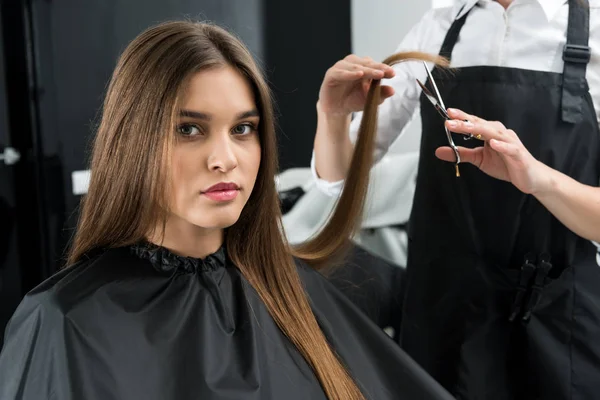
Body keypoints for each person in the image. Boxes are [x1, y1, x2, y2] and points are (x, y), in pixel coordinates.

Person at [0, 21, 455, 400]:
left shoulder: (292, 290)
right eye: (189, 129)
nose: (225, 158)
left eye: (242, 128)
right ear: (132, 140)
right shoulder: (66, 321)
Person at [312, 0, 600, 399]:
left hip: (557, 318)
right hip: (445, 314)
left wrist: (538, 180)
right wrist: (331, 115)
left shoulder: (595, 28)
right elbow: (338, 178)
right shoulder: (438, 26)